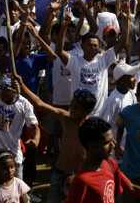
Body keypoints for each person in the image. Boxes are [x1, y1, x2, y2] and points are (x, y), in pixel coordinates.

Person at [12, 72, 96, 203]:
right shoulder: (65, 118)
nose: (71, 110)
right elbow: (39, 104)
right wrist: (22, 86)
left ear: (88, 110)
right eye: (71, 105)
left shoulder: (93, 127)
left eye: (76, 108)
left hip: (80, 177)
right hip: (59, 174)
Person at [63, 117, 140, 203]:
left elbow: (132, 189)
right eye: (107, 142)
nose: (113, 145)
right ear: (91, 146)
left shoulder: (109, 164)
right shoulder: (82, 181)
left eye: (113, 140)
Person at [0, 48, 39, 185]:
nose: (2, 92)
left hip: (13, 154)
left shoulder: (24, 104)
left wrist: (35, 139)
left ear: (14, 91)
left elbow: (34, 126)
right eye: (2, 88)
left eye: (6, 90)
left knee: (18, 188)